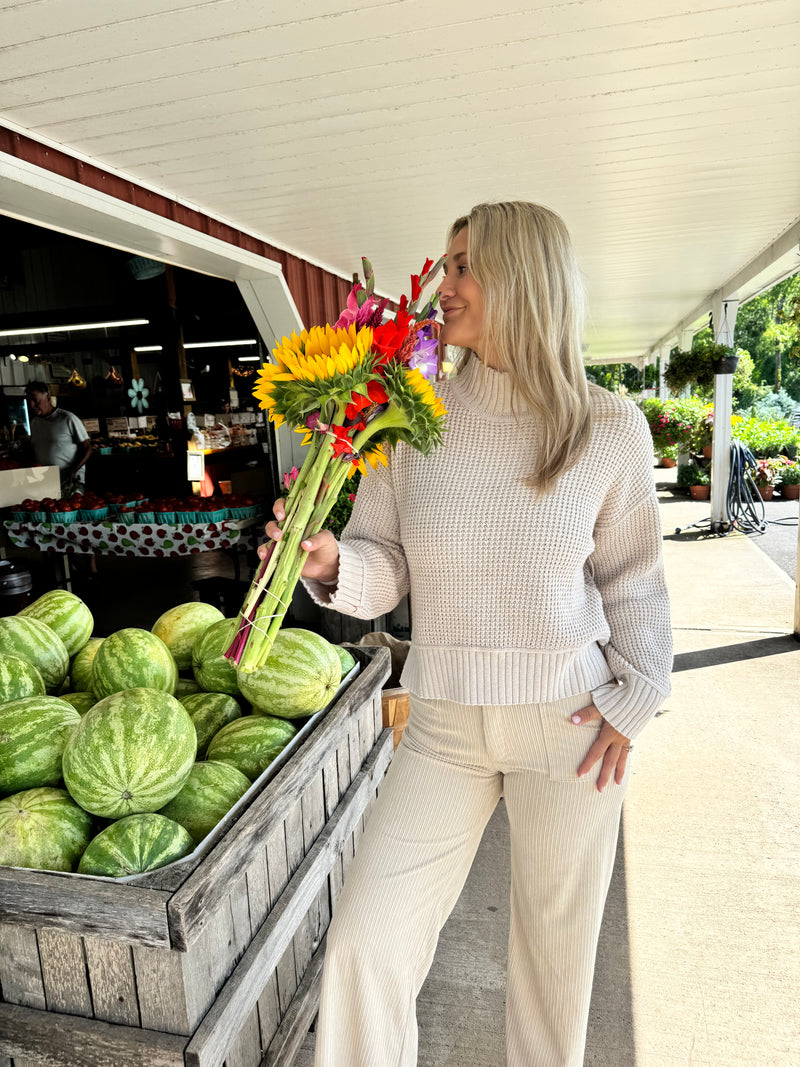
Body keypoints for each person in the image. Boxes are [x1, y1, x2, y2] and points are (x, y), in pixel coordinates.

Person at [262, 201, 672, 1066]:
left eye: (462, 266)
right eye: (444, 264)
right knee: (364, 946)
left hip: (570, 724)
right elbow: (384, 565)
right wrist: (333, 563)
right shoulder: (413, 421)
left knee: (552, 981)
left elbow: (634, 581)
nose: (442, 285)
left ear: (524, 277)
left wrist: (635, 698)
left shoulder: (607, 427)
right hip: (442, 721)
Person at [25, 381, 93, 496]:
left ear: (47, 396)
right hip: (46, 481)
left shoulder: (68, 418)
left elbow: (88, 448)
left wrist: (74, 471)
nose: (32, 405)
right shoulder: (35, 422)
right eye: (29, 401)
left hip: (70, 481)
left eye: (36, 401)